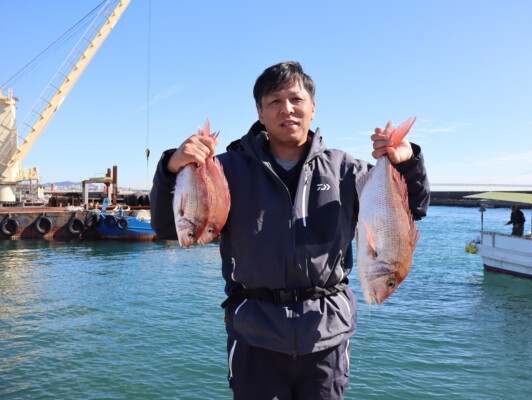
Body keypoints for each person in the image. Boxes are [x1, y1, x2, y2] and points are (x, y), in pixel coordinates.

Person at [150, 61, 430, 399]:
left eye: (296, 100)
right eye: (275, 101)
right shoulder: (225, 169)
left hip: (326, 335)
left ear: (313, 108)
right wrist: (171, 168)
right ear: (260, 112)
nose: (287, 109)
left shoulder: (348, 170)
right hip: (255, 335)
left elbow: (410, 212)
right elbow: (169, 228)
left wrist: (407, 161)